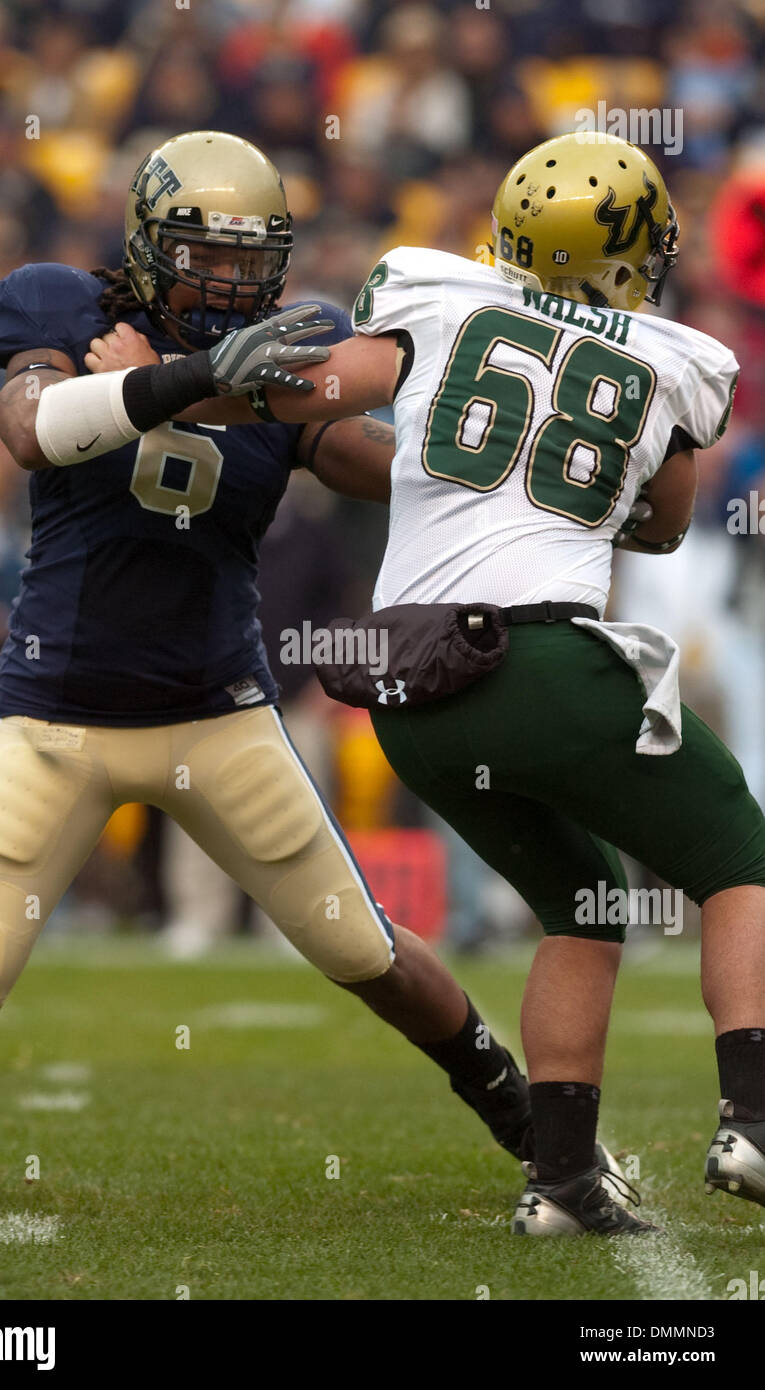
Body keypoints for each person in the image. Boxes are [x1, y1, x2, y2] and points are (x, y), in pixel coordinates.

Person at [0, 130, 559, 1206]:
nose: (231, 279)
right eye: (205, 252)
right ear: (149, 243)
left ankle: (536, 1127)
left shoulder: (291, 351)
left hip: (218, 710)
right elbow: (27, 428)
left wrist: (485, 456)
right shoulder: (61, 304)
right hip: (57, 714)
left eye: (253, 257)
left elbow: (379, 467)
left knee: (371, 955)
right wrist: (193, 379)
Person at [180, 132, 765, 1237]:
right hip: (538, 656)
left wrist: (167, 393)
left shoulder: (438, 295)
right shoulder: (674, 356)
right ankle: (756, 1117)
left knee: (580, 906)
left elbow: (306, 391)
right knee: (742, 855)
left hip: (410, 690)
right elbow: (669, 521)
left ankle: (560, 1183)